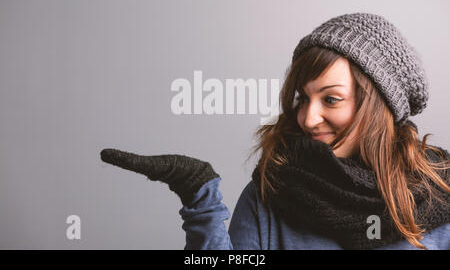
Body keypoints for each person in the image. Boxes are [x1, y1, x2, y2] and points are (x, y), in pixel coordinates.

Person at [100, 12, 450, 250]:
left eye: (331, 99)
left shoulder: (438, 193)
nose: (308, 118)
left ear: (377, 106)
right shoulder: (272, 190)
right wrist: (200, 198)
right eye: (303, 99)